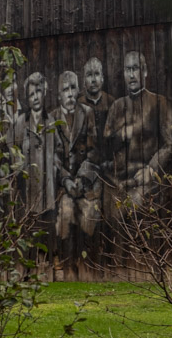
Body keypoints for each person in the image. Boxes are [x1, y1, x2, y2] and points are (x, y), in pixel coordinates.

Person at [102, 51, 172, 216]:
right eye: (128, 70)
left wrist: (151, 168)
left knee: (135, 209)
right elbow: (105, 147)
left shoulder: (160, 104)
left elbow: (169, 144)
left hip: (146, 181)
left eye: (136, 69)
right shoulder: (117, 107)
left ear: (145, 71)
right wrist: (120, 135)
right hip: (118, 180)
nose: (132, 74)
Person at [52, 71, 101, 243]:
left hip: (85, 184)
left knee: (90, 215)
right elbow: (54, 158)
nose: (70, 94)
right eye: (65, 90)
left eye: (73, 88)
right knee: (65, 214)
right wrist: (66, 180)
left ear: (79, 90)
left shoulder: (87, 113)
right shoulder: (52, 118)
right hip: (63, 187)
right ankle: (64, 262)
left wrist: (82, 178)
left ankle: (88, 263)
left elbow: (94, 151)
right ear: (59, 95)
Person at [13, 72, 55, 219]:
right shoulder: (20, 122)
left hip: (48, 190)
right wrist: (19, 164)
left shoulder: (52, 121)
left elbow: (59, 152)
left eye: (38, 92)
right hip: (27, 189)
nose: (36, 97)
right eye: (31, 94)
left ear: (44, 93)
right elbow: (11, 148)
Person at [79, 57, 114, 139]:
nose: (93, 80)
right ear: (84, 81)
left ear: (102, 78)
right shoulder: (79, 104)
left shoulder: (111, 102)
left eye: (97, 74)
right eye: (89, 75)